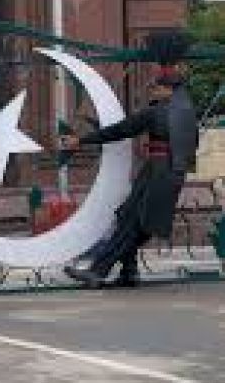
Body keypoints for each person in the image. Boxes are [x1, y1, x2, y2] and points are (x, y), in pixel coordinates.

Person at [61, 30, 198, 288]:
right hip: (171, 173)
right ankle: (128, 271)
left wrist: (80, 140)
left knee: (132, 221)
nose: (152, 91)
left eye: (155, 87)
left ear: (166, 89)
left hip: (158, 172)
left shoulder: (156, 113)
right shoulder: (186, 106)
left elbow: (120, 130)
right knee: (131, 218)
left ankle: (98, 270)